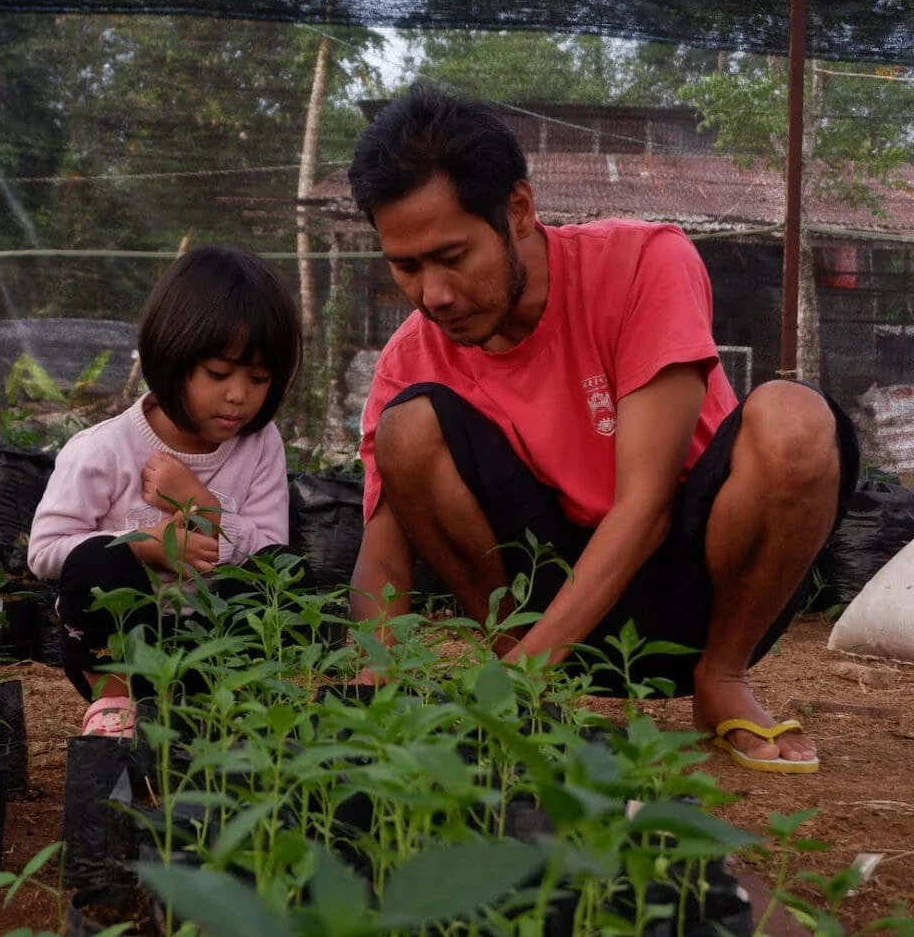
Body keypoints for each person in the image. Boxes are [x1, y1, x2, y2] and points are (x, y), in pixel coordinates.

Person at [348, 85, 858, 774]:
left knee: (795, 420)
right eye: (406, 267)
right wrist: (372, 688)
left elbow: (644, 508)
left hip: (693, 574)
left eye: (453, 256)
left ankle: (722, 678)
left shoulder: (646, 262)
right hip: (549, 587)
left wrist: (512, 679)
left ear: (519, 212)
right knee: (407, 429)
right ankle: (537, 694)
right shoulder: (411, 355)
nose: (432, 294)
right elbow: (383, 558)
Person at [28, 246, 302, 738]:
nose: (239, 394)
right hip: (117, 647)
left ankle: (233, 699)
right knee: (96, 559)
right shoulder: (105, 450)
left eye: (258, 378)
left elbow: (268, 550)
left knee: (283, 574)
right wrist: (145, 544)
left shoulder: (260, 444)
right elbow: (46, 552)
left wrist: (202, 504)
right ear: (173, 360)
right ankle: (117, 707)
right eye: (219, 374)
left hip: (212, 642)